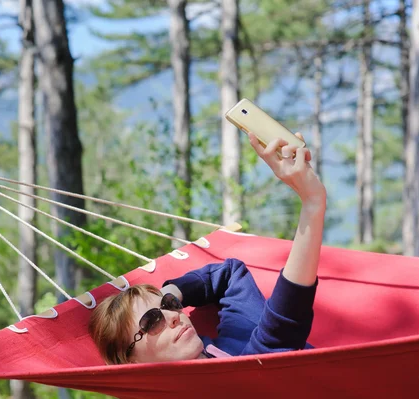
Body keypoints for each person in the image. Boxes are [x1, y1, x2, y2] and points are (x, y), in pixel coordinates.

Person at [88, 133, 326, 365]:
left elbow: (230, 275)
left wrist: (174, 291)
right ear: (132, 363)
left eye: (169, 305)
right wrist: (312, 203)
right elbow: (279, 334)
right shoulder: (233, 380)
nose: (173, 316)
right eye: (151, 321)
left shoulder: (235, 338)